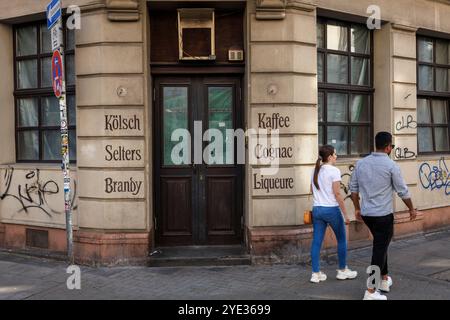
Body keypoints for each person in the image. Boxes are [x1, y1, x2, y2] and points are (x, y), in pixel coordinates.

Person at [349, 132, 418, 300]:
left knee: (381, 245)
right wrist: (411, 209)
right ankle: (371, 291)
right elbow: (403, 191)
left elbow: (353, 189)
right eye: (391, 146)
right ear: (388, 147)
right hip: (383, 216)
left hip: (367, 214)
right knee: (379, 250)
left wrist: (357, 209)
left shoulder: (361, 164)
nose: (391, 149)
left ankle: (384, 279)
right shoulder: (391, 166)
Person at [310, 145, 357, 284]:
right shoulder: (334, 171)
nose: (337, 156)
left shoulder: (315, 170)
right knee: (342, 239)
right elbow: (337, 193)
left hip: (317, 209)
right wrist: (346, 214)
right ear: (329, 157)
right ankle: (342, 271)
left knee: (316, 242)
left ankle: (315, 273)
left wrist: (321, 198)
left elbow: (311, 189)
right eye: (335, 154)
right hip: (331, 210)